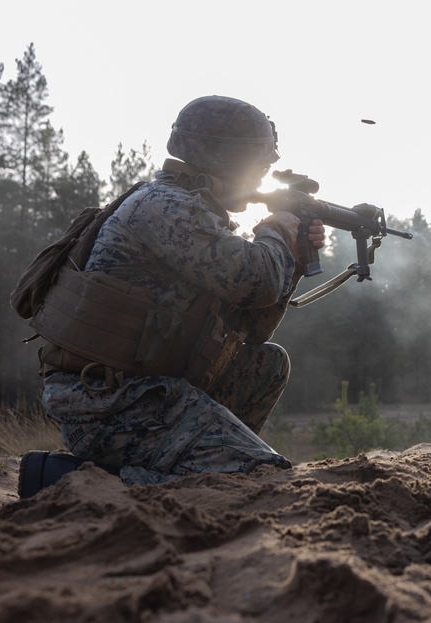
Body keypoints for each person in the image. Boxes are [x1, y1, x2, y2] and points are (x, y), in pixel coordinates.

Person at [18, 95, 325, 496]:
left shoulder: (195, 212)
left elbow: (252, 325)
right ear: (222, 159)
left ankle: (196, 457)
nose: (260, 177)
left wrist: (294, 256)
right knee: (255, 477)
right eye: (257, 165)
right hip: (106, 401)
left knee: (266, 363)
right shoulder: (164, 207)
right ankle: (65, 481)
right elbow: (255, 278)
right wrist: (277, 233)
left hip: (141, 388)